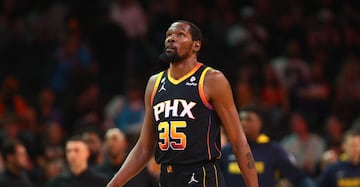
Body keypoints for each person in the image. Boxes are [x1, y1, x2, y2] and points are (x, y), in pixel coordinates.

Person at [106, 20, 258, 187]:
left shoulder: (212, 79)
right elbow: (144, 147)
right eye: (169, 35)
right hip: (167, 177)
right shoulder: (154, 83)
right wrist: (114, 184)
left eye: (180, 35)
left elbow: (238, 140)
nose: (172, 38)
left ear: (196, 46)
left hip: (201, 176)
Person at [221, 105, 315, 187]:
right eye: (240, 119)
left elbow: (298, 177)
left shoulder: (273, 150)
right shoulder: (226, 151)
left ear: (260, 123)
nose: (243, 123)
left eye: (248, 119)